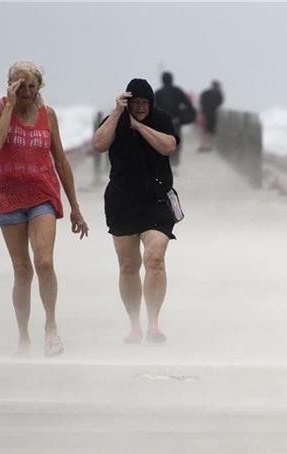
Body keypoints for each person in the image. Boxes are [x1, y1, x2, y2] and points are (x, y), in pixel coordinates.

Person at [0, 60, 89, 358]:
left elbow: (61, 161)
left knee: (44, 262)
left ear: (39, 86)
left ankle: (51, 328)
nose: (27, 91)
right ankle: (22, 337)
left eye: (31, 85)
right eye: (20, 85)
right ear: (10, 84)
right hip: (7, 196)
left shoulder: (48, 115)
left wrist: (75, 208)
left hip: (43, 194)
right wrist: (10, 104)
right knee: (22, 270)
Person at [92, 78, 179, 344]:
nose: (141, 106)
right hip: (122, 201)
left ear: (151, 103)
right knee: (129, 265)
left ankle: (153, 323)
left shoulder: (160, 120)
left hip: (156, 201)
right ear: (128, 102)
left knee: (155, 259)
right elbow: (99, 144)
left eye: (145, 102)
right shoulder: (114, 119)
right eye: (136, 102)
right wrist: (118, 113)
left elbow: (168, 146)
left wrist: (139, 126)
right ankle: (134, 325)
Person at [154, 71, 196, 168]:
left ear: (162, 80)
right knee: (176, 142)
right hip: (176, 122)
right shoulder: (178, 91)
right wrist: (182, 117)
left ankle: (167, 163)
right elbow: (189, 106)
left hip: (163, 122)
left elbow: (154, 108)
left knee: (163, 142)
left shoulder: (158, 93)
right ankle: (175, 164)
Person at [198, 80, 224, 152]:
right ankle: (209, 146)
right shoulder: (218, 93)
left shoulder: (205, 92)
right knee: (211, 131)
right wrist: (214, 106)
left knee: (204, 130)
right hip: (213, 114)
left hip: (204, 113)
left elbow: (201, 102)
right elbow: (221, 101)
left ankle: (203, 146)